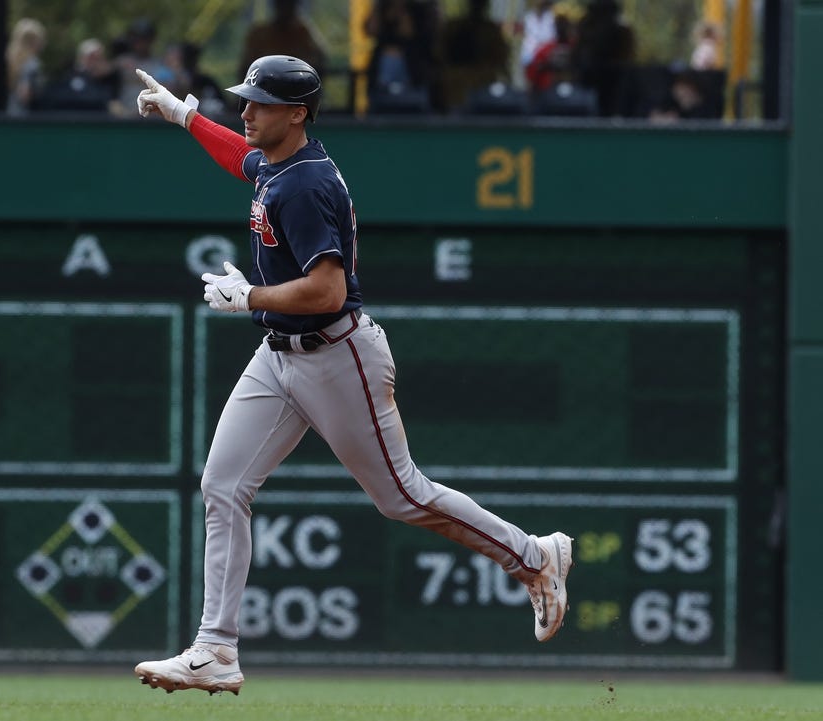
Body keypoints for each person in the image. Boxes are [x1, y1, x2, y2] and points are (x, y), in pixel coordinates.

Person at [130, 54, 574, 696]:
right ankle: (215, 650)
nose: (246, 110)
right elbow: (242, 160)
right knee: (222, 485)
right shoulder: (278, 163)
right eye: (245, 99)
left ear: (298, 112)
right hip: (280, 357)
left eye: (258, 101)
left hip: (337, 355)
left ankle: (535, 558)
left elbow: (328, 291)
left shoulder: (306, 184)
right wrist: (184, 114)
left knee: (404, 496)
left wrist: (250, 297)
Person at [363, 0, 442, 113]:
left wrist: (402, 10)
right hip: (381, 81)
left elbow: (409, 32)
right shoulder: (383, 7)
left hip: (414, 73)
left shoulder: (420, 8)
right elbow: (371, 29)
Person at [438, 0, 511, 110]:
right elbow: (439, 55)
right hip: (455, 88)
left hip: (483, 88)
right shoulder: (453, 27)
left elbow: (501, 59)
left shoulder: (490, 30)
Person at [571, 0, 635, 116]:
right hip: (589, 75)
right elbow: (579, 49)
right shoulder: (586, 24)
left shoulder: (620, 27)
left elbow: (626, 54)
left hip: (613, 76)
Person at [237, 0, 327, 82]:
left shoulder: (302, 33)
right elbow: (245, 68)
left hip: (295, 87)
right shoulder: (260, 34)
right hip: (262, 87)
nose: (286, 8)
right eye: (282, 3)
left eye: (289, 4)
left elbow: (319, 58)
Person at [5, 18, 46, 116]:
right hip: (25, 117)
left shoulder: (8, 58)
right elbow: (24, 94)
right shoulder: (32, 63)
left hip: (8, 113)